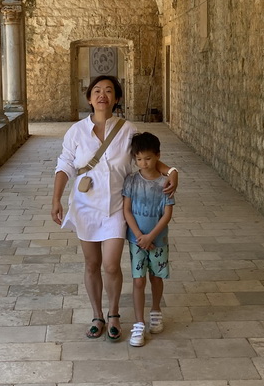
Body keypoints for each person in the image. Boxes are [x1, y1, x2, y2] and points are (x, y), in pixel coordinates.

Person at [51, 75, 178, 341]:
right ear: (89, 98)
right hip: (85, 207)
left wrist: (172, 171)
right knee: (91, 263)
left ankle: (114, 314)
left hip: (116, 208)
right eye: (96, 91)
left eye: (109, 91)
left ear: (116, 98)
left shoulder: (127, 130)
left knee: (110, 265)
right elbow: (64, 165)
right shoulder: (76, 132)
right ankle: (97, 314)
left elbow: (149, 158)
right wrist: (56, 199)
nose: (102, 95)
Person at [122, 132, 175, 347]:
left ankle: (155, 310)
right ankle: (138, 323)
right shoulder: (131, 181)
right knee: (138, 280)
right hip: (136, 241)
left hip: (158, 240)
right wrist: (139, 236)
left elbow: (167, 214)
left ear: (158, 156)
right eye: (139, 159)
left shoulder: (166, 183)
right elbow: (126, 211)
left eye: (149, 158)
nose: (144, 163)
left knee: (156, 277)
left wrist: (151, 236)